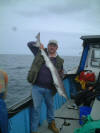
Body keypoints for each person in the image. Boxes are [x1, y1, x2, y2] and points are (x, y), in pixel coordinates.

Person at [27, 40, 64, 133]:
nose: (52, 47)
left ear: (57, 48)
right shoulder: (39, 53)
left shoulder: (60, 60)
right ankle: (34, 130)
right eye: (50, 45)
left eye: (54, 46)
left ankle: (51, 124)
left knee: (51, 107)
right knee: (36, 109)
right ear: (47, 46)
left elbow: (61, 74)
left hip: (50, 89)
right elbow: (29, 44)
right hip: (37, 87)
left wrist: (61, 76)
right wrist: (37, 43)